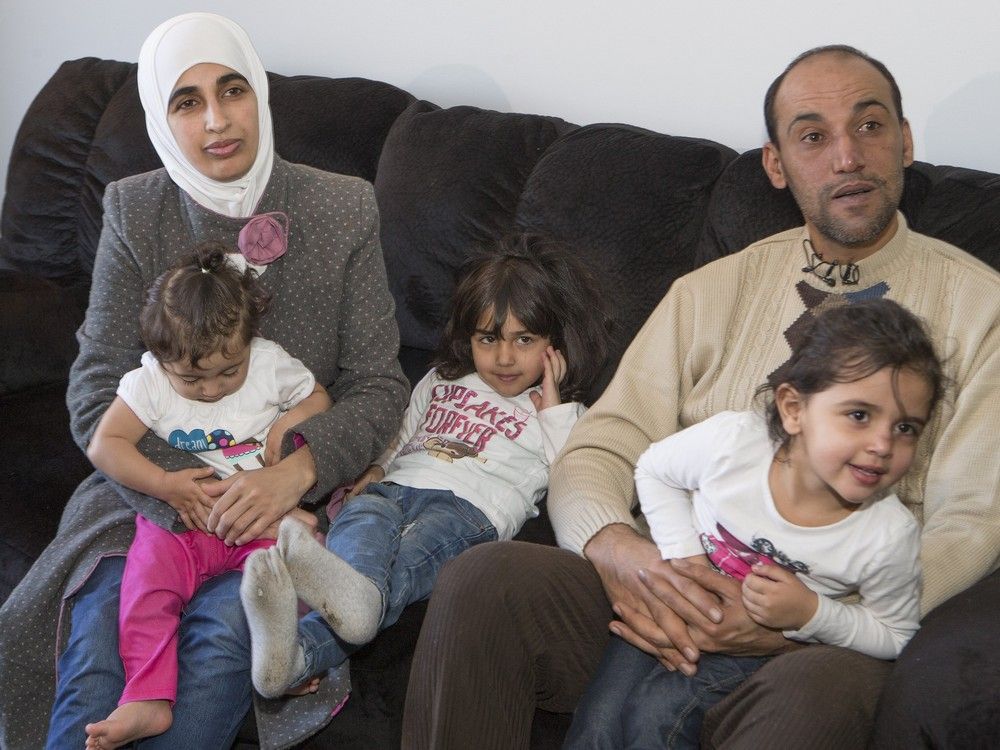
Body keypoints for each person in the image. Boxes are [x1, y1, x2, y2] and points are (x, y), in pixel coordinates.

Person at [401, 45, 1000, 749]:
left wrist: (806, 618)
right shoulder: (710, 291)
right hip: (667, 586)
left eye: (870, 126)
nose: (847, 157)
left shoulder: (981, 310)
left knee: (820, 695)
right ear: (777, 165)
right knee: (485, 580)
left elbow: (971, 522)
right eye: (812, 136)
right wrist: (620, 553)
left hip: (823, 631)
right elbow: (603, 443)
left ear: (904, 141)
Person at [0, 12, 408, 750]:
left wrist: (293, 473)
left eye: (233, 90)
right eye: (187, 102)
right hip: (151, 492)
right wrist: (192, 487)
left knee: (223, 637)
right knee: (97, 633)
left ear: (260, 95)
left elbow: (380, 385)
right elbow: (95, 389)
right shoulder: (135, 209)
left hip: (282, 504)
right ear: (162, 119)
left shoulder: (343, 207)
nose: (217, 120)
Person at [240, 236, 612, 699]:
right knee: (360, 528)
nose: (504, 357)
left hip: (468, 510)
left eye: (524, 340)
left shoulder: (564, 415)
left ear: (553, 344)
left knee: (404, 567)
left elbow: (573, 478)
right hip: (394, 488)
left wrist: (553, 407)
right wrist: (375, 471)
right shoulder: (441, 379)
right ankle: (293, 659)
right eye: (488, 339)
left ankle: (308, 644)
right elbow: (401, 436)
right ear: (468, 338)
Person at [563, 298, 942, 748]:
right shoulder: (734, 443)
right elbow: (654, 469)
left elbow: (896, 634)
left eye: (906, 428)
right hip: (674, 601)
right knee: (599, 723)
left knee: (657, 717)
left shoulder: (887, 537)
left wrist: (812, 614)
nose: (883, 444)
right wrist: (684, 557)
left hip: (757, 644)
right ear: (793, 409)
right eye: (859, 415)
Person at [84, 243, 332, 747]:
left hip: (258, 519)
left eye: (228, 372)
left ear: (249, 343)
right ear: (161, 358)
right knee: (145, 588)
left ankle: (290, 660)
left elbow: (319, 398)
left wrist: (288, 423)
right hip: (186, 525)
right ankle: (147, 697)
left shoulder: (269, 364)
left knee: (304, 563)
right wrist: (164, 484)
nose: (212, 390)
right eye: (192, 378)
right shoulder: (150, 382)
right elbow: (104, 445)